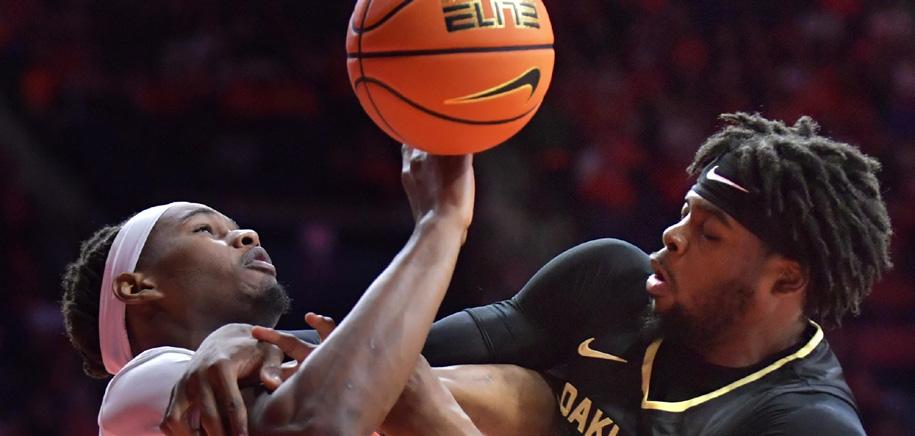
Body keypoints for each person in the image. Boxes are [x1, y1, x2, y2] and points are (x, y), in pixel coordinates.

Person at [181, 113, 890, 435]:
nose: (672, 237)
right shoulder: (612, 281)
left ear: (785, 281)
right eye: (684, 213)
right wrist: (244, 341)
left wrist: (438, 424)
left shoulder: (803, 423)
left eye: (709, 234)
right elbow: (391, 357)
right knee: (451, 386)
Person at [60, 147, 481, 435]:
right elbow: (319, 426)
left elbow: (517, 391)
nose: (247, 235)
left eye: (233, 227)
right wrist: (440, 222)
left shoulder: (312, 378)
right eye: (204, 230)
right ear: (137, 286)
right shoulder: (143, 385)